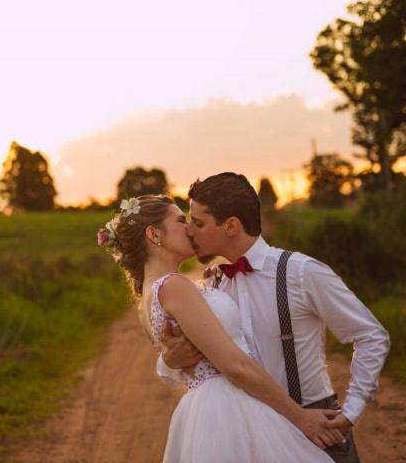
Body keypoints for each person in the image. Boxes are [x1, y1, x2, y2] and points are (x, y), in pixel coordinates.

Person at [157, 173, 390, 463]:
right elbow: (193, 368)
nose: (190, 231)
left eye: (199, 223)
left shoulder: (301, 272)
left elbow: (370, 335)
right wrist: (169, 360)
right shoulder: (211, 288)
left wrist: (352, 410)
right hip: (248, 432)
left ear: (231, 226)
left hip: (315, 427)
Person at [98, 195, 336, 462]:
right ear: (154, 234)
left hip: (206, 408)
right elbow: (235, 366)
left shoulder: (148, 295)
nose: (189, 228)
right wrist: (300, 417)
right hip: (227, 408)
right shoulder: (174, 285)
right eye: (180, 220)